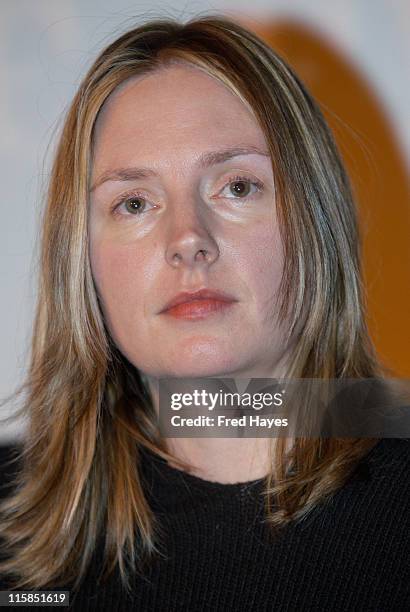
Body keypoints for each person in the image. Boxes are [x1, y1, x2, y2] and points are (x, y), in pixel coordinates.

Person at [0, 14, 409, 611]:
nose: (188, 238)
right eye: (134, 202)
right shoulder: (11, 518)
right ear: (81, 258)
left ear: (315, 222)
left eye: (237, 186)